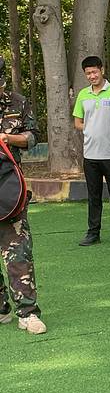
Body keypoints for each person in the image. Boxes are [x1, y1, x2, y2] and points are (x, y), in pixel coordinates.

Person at [0, 55, 46, 334]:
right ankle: (1, 308)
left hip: (9, 186)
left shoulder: (18, 102)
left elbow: (32, 137)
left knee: (18, 252)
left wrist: (8, 138)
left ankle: (28, 313)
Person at [72, 56, 110, 247]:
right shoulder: (83, 94)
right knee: (93, 197)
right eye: (88, 73)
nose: (92, 76)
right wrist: (90, 128)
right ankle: (93, 233)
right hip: (90, 156)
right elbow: (77, 122)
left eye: (94, 72)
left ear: (102, 70)